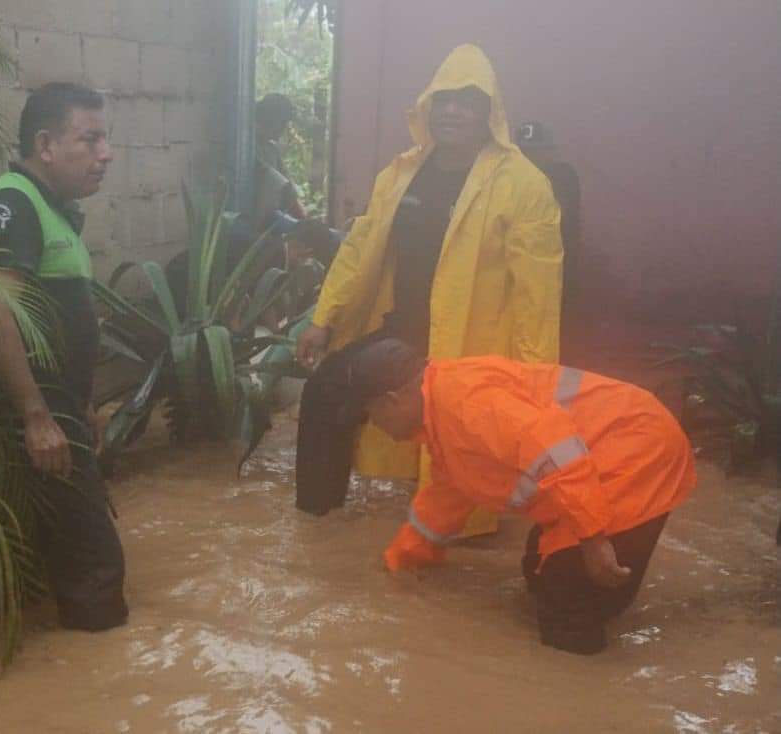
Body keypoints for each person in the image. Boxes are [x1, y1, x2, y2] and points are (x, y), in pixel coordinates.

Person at [295, 45, 564, 525]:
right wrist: (323, 318)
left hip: (473, 355)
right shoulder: (402, 174)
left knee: (464, 467)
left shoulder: (524, 185)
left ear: (489, 112)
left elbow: (537, 295)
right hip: (405, 337)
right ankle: (317, 522)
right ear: (428, 106)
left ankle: (447, 534)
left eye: (467, 100)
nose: (453, 110)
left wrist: (533, 381)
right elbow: (359, 247)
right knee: (327, 390)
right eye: (444, 99)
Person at [344, 338, 697, 654]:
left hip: (636, 452)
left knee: (567, 607)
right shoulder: (443, 418)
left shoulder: (463, 401)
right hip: (614, 452)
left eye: (372, 416)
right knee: (536, 571)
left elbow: (556, 451)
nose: (376, 427)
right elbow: (444, 502)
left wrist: (593, 539)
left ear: (391, 401)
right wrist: (398, 563)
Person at [0, 82, 128, 631]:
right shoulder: (10, 204)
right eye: (91, 138)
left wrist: (77, 407)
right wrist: (36, 417)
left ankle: (30, 686)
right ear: (45, 144)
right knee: (96, 563)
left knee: (31, 557)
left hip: (56, 415)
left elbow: (60, 327)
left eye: (106, 139)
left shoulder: (54, 210)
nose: (106, 153)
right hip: (37, 419)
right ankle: (102, 686)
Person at [516, 121, 582, 352]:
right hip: (520, 264)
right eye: (525, 152)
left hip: (560, 263)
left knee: (560, 330)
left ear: (550, 151)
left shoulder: (563, 175)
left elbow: (562, 217)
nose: (531, 157)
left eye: (537, 150)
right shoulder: (507, 178)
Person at [254, 93, 306, 227]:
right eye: (282, 122)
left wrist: (305, 223)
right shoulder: (250, 148)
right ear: (269, 119)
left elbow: (289, 191)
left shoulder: (271, 150)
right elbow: (285, 190)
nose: (283, 129)